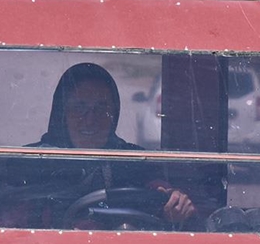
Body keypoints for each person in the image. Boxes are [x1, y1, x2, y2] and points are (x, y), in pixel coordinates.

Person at [30, 62, 196, 225]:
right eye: (79, 108)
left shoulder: (132, 160)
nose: (90, 120)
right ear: (62, 114)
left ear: (114, 114)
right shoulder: (34, 162)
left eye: (101, 109)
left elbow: (159, 188)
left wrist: (176, 201)